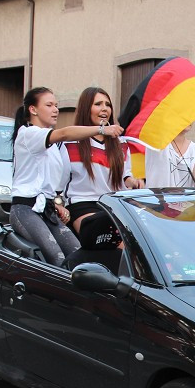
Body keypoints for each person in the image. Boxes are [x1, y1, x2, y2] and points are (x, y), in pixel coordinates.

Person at [9, 86, 121, 267]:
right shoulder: (28, 134)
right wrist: (101, 129)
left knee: (78, 256)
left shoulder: (52, 145)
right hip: (25, 209)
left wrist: (57, 204)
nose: (55, 110)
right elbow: (64, 133)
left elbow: (51, 185)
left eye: (56, 105)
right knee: (56, 258)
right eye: (49, 105)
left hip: (47, 210)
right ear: (33, 109)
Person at [60, 87, 142, 270]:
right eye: (98, 104)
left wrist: (134, 182)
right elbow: (59, 183)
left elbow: (126, 176)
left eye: (108, 105)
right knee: (116, 246)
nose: (104, 109)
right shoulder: (70, 144)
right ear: (86, 109)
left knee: (137, 250)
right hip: (83, 205)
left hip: (114, 206)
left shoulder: (121, 143)